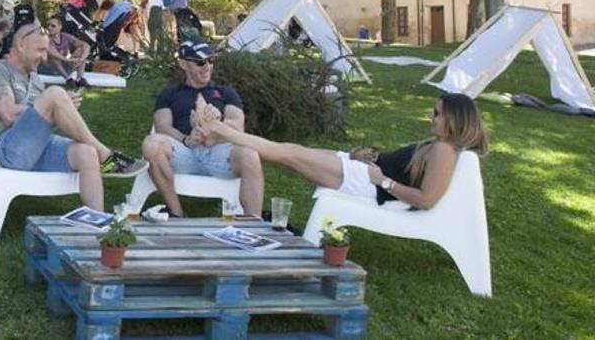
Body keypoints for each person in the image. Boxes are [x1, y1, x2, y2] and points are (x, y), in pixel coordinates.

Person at [196, 92, 489, 210]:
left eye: (436, 114)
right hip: (361, 168)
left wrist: (381, 180)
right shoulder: (440, 147)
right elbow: (403, 167)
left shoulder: (444, 151)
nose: (431, 117)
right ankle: (222, 132)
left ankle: (221, 131)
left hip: (366, 182)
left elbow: (427, 200)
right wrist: (367, 158)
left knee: (287, 153)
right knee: (289, 155)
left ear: (453, 120)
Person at [0, 21, 149, 211]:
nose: (44, 58)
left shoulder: (34, 79)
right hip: (8, 150)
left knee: (87, 153)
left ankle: (99, 222)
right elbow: (9, 115)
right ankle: (107, 155)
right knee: (54, 93)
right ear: (21, 45)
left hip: (37, 147)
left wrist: (60, 108)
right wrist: (49, 103)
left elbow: (38, 121)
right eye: (40, 50)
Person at [140, 41, 264, 217]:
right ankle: (177, 213)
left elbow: (238, 125)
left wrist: (216, 125)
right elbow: (162, 126)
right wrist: (186, 139)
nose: (207, 67)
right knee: (151, 144)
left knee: (250, 155)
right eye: (200, 62)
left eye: (210, 60)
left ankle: (254, 224)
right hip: (184, 152)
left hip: (218, 152)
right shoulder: (170, 93)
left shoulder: (225, 92)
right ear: (183, 64)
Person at [43, 15, 89, 88]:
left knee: (81, 50)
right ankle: (68, 79)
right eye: (48, 25)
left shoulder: (65, 36)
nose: (49, 28)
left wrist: (82, 58)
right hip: (49, 69)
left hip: (63, 67)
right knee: (54, 58)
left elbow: (85, 45)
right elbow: (52, 53)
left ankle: (79, 79)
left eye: (53, 26)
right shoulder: (45, 38)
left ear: (60, 27)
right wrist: (68, 60)